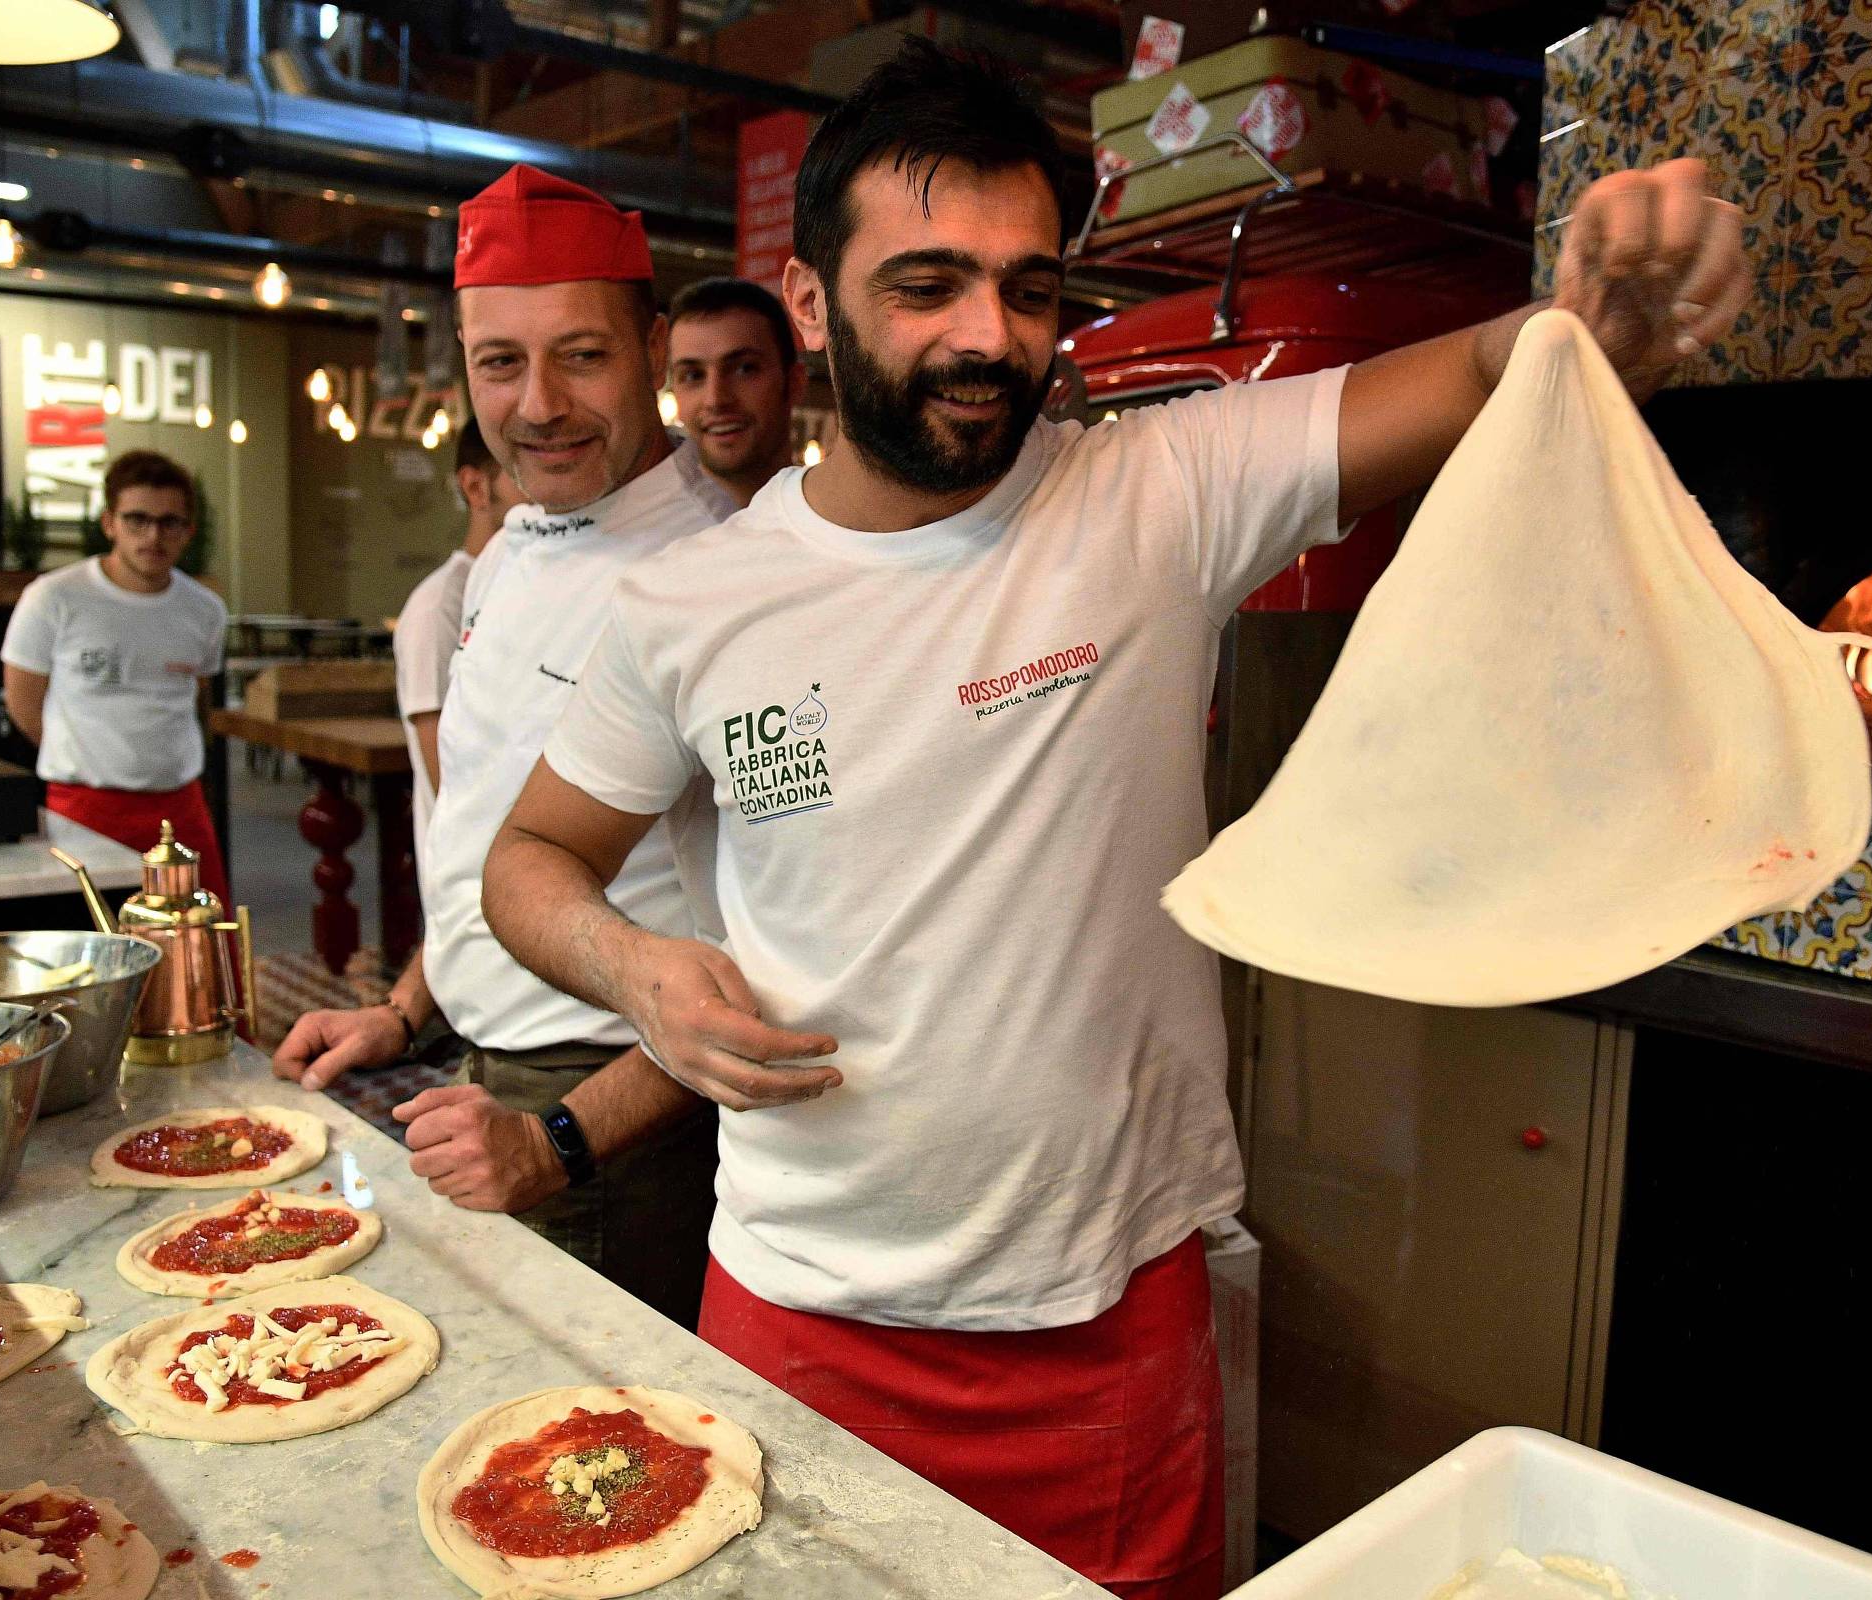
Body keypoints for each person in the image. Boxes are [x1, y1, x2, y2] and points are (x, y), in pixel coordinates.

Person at [480, 39, 1749, 1600]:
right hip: (800, 1317)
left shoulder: (1160, 489)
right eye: (927, 285)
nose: (987, 338)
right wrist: (636, 972)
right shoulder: (691, 602)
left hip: (1105, 1330)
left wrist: (1595, 324)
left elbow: (1497, 375)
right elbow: (530, 864)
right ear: (808, 301)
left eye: (1027, 290)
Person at [270, 165, 763, 1327]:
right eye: (501, 361)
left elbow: (769, 955)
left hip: (614, 1111)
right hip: (484, 1077)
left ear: (652, 351)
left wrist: (558, 1138)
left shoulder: (721, 576)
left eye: (581, 355)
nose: (538, 403)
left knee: (601, 1455)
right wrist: (401, 1013)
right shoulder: (512, 548)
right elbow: (485, 837)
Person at [2, 448, 230, 906]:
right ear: (109, 523)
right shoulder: (53, 597)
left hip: (180, 805)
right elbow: (23, 705)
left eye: (170, 523)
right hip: (83, 806)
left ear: (188, 531)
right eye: (137, 520)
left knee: (200, 953)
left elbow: (198, 698)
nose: (153, 536)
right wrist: (95, 757)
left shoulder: (205, 609)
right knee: (93, 954)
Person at [395, 417, 519, 869]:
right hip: (476, 877)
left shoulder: (531, 587)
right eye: (520, 469)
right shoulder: (439, 605)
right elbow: (448, 773)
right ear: (475, 488)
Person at [664, 276, 806, 508]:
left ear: (794, 382)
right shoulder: (647, 538)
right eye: (692, 375)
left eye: (744, 369)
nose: (715, 399)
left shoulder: (843, 528)